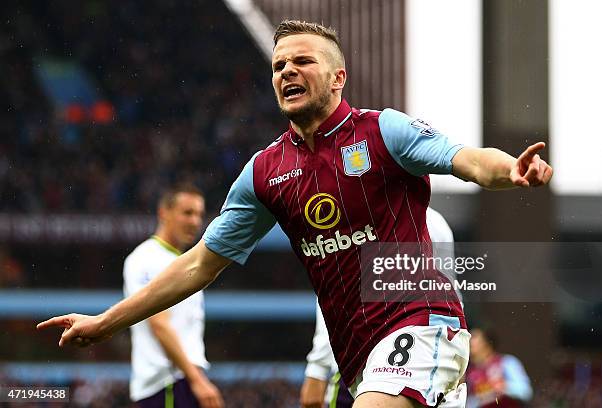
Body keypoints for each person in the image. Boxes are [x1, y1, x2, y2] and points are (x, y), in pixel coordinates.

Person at [37, 20, 553, 408]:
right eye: (279, 65)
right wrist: (107, 322)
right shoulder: (266, 172)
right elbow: (198, 265)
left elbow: (466, 159)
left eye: (302, 61)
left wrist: (511, 170)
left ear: (337, 78)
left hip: (420, 324)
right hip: (357, 354)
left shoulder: (383, 133)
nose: (286, 71)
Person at [300, 208, 457, 408]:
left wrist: (452, 358)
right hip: (358, 359)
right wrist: (318, 367)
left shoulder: (434, 223)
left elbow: (446, 296)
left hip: (413, 359)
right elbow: (335, 295)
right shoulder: (353, 213)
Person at [122, 184, 224, 408]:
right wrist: (197, 379)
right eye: (187, 212)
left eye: (199, 214)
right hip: (166, 382)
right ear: (163, 212)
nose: (195, 221)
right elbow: (159, 325)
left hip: (182, 378)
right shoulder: (145, 259)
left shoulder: (182, 260)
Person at [465, 328, 533, 408]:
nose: (468, 339)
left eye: (474, 337)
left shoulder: (507, 362)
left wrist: (504, 387)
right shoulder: (468, 373)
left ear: (486, 343)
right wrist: (480, 399)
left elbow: (526, 392)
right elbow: (466, 403)